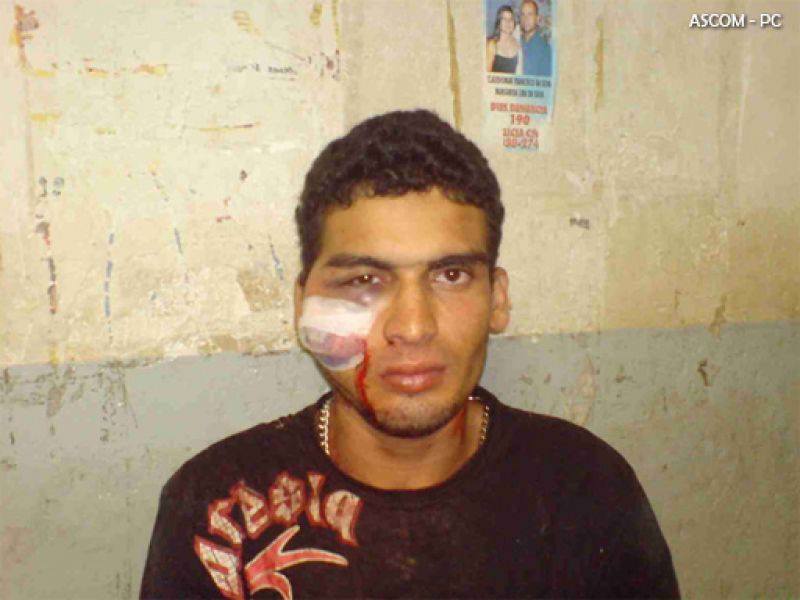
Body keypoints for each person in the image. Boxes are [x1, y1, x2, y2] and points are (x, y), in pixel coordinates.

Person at [140, 110, 680, 599]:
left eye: (451, 275)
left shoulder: (586, 490)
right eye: (363, 280)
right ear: (304, 307)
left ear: (497, 299)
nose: (413, 327)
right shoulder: (214, 508)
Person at [520, 0, 552, 77]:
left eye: (530, 14)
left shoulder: (545, 49)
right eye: (523, 14)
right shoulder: (515, 43)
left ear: (537, 18)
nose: (526, 19)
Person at [486, 5, 520, 73]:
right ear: (499, 23)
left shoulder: (517, 44)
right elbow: (486, 75)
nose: (508, 22)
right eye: (504, 19)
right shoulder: (492, 45)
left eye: (511, 19)